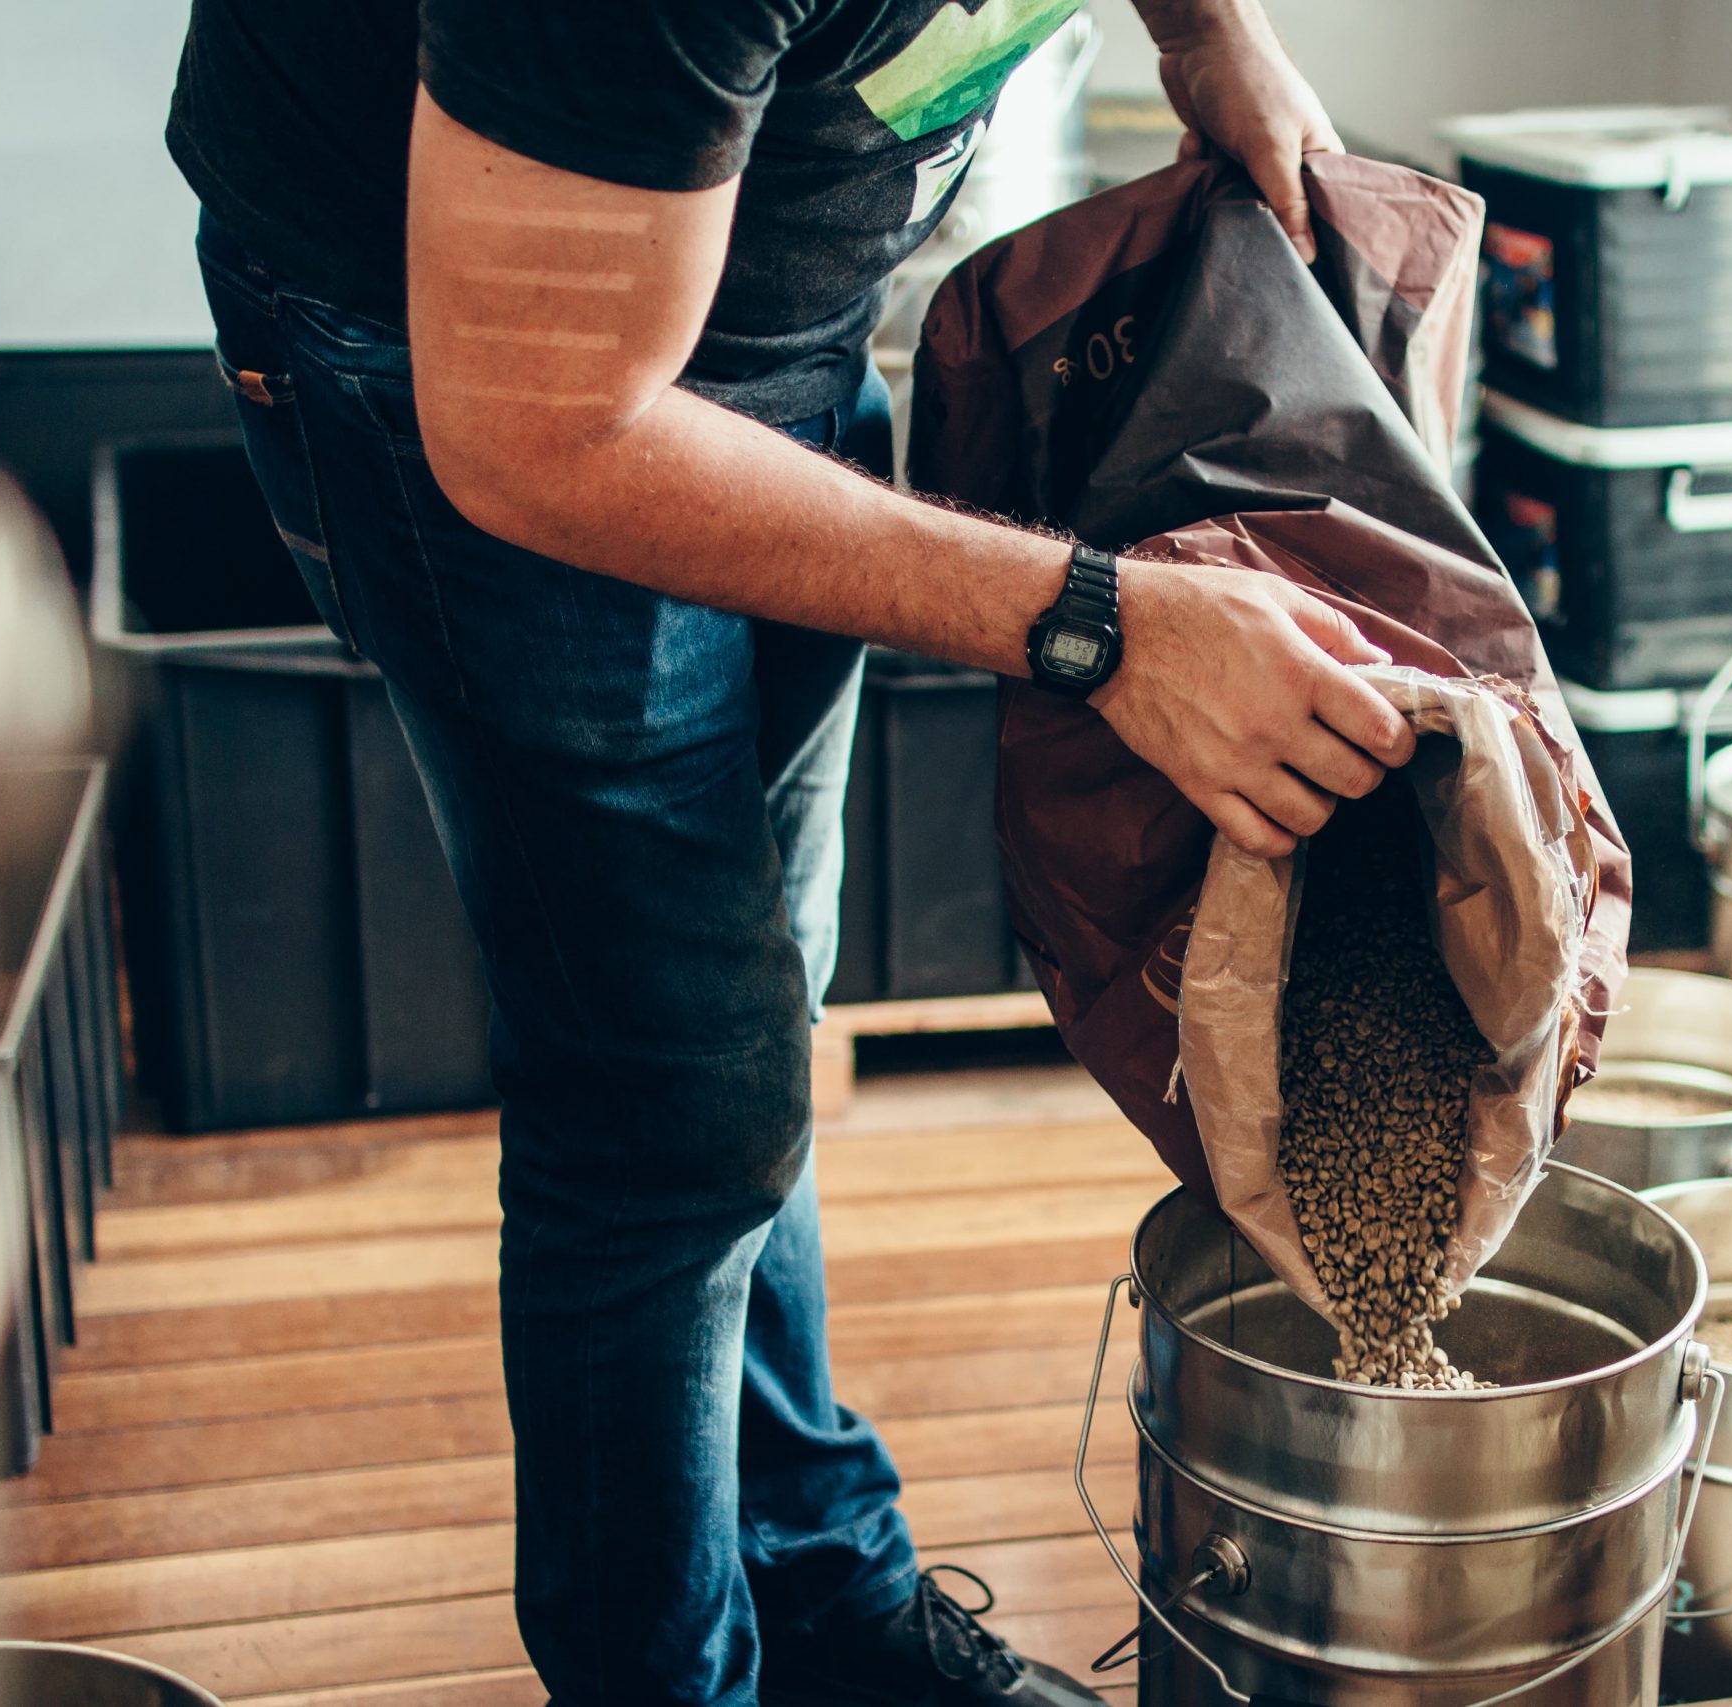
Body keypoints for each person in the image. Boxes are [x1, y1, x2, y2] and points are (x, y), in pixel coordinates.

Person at [166, 2, 1414, 1702]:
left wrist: (1208, 34)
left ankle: (825, 1600)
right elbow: (542, 428)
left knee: (751, 1028)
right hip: (471, 371)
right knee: (673, 1097)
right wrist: (1105, 626)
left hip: (764, 302)